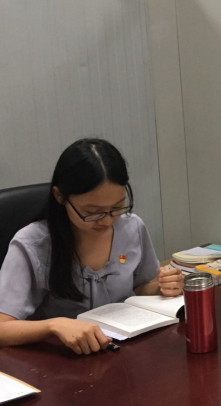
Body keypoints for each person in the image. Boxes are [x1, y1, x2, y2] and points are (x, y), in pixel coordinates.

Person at [0, 138, 184, 355]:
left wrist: (162, 287)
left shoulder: (132, 227)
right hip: (60, 361)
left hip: (120, 352)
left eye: (116, 207)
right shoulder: (33, 245)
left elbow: (138, 287)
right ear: (60, 196)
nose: (107, 220)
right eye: (93, 212)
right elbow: (3, 328)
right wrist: (54, 325)